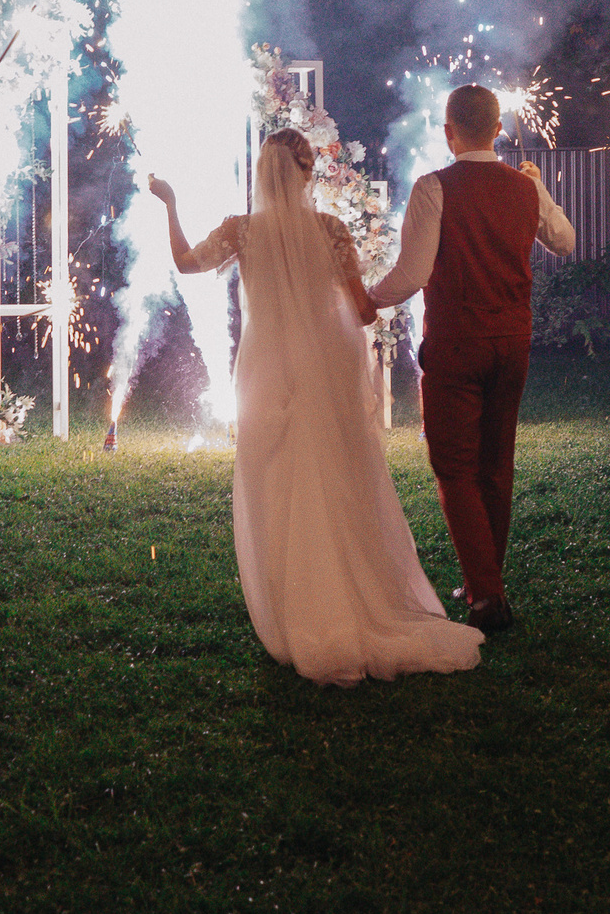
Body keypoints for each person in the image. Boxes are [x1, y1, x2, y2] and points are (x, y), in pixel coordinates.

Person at [154, 132, 486, 682]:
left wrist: (170, 205)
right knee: (333, 478)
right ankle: (348, 600)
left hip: (264, 373)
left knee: (275, 482)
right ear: (308, 173)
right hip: (323, 374)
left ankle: (292, 610)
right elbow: (360, 313)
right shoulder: (331, 231)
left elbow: (188, 263)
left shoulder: (241, 231)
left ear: (263, 174)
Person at [366, 85, 577, 632]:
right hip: (513, 344)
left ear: (448, 131)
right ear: (499, 128)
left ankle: (485, 594)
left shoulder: (434, 188)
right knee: (495, 463)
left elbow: (412, 275)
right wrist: (540, 192)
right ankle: (488, 578)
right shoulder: (524, 188)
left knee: (455, 468)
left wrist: (364, 302)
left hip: (458, 345)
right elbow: (566, 241)